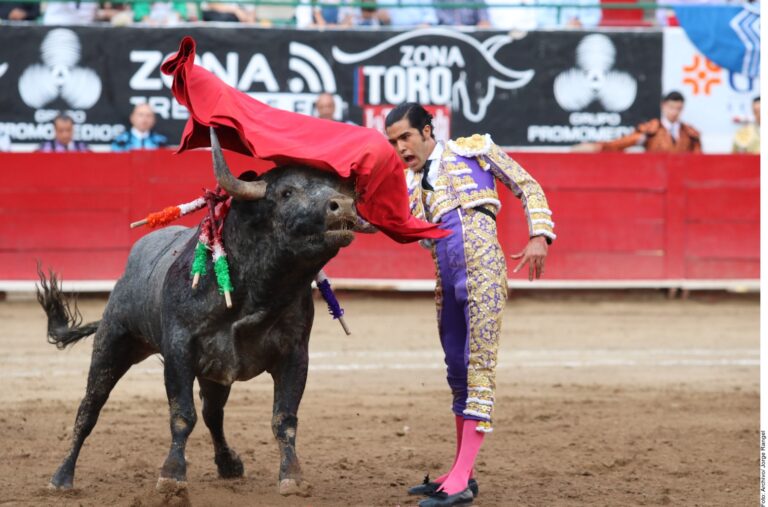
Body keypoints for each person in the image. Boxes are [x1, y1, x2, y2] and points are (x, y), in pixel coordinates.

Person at [385, 103, 555, 507]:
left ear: (427, 130)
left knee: (478, 365)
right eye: (393, 142)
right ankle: (462, 471)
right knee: (457, 370)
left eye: (405, 137)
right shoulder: (409, 184)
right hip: (445, 275)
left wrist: (540, 235)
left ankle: (460, 479)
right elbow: (387, 222)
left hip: (482, 269)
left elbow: (527, 185)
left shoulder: (472, 150)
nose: (400, 148)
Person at [575, 91, 702, 153]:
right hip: (656, 178)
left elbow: (698, 161)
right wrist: (598, 147)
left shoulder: (690, 134)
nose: (674, 112)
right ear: (663, 106)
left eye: (678, 108)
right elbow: (622, 143)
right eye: (671, 107)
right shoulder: (651, 130)